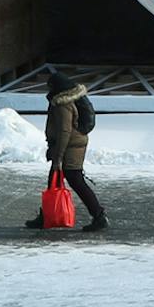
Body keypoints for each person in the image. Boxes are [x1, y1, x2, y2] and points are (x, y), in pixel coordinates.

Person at [25, 72, 108, 232]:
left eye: (49, 86)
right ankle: (46, 216)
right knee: (53, 181)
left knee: (75, 179)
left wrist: (58, 156)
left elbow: (64, 131)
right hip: (69, 145)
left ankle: (99, 215)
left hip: (70, 147)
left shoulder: (62, 103)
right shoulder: (66, 99)